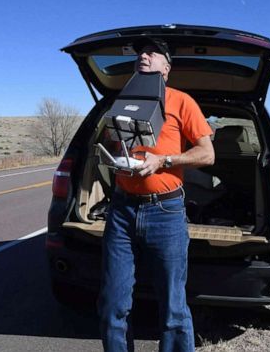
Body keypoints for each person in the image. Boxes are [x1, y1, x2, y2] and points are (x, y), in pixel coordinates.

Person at [99, 37, 216, 352]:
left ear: (167, 67)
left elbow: (207, 155)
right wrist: (114, 151)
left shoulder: (181, 101)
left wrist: (164, 160)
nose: (143, 56)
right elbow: (111, 143)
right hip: (122, 210)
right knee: (112, 303)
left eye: (152, 52)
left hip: (164, 212)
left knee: (173, 308)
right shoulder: (123, 100)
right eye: (140, 52)